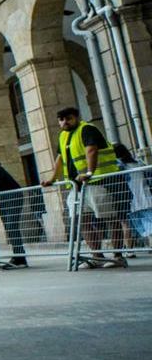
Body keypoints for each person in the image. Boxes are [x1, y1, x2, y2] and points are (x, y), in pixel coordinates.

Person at [44, 107, 126, 268]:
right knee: (83, 221)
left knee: (110, 218)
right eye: (61, 120)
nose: (65, 122)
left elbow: (91, 150)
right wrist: (52, 179)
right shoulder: (63, 136)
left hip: (98, 182)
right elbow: (60, 158)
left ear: (76, 117)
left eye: (68, 118)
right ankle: (97, 257)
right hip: (77, 186)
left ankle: (117, 256)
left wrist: (89, 172)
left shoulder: (87, 129)